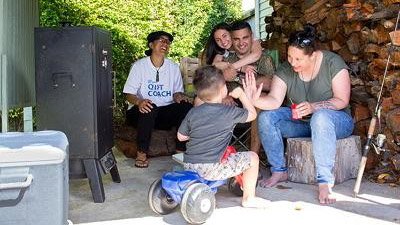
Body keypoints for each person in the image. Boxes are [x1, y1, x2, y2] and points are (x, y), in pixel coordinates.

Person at [243, 25, 354, 204]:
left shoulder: (333, 63)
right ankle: (279, 170)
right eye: (289, 56)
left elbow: (342, 100)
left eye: (298, 59)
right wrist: (255, 100)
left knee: (320, 117)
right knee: (266, 117)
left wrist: (314, 107)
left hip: (335, 122)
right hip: (303, 123)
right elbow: (274, 101)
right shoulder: (286, 70)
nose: (292, 62)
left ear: (314, 54)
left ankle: (325, 181)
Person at [177, 65, 269, 208]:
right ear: (223, 90)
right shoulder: (229, 112)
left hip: (189, 165)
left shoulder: (193, 113)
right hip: (212, 168)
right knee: (253, 158)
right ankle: (249, 198)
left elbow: (181, 137)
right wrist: (243, 96)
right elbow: (252, 115)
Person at [123, 31, 192, 168]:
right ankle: (142, 153)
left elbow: (176, 92)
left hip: (163, 114)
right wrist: (139, 102)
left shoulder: (173, 67)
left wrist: (179, 96)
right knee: (150, 107)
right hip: (141, 113)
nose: (165, 43)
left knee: (185, 107)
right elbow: (128, 94)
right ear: (151, 44)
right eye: (161, 40)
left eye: (167, 41)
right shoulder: (139, 66)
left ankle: (180, 150)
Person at [223, 20, 276, 153]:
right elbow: (217, 79)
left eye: (245, 38)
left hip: (253, 103)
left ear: (251, 37)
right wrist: (223, 96)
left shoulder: (264, 59)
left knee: (259, 101)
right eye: (236, 39)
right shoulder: (226, 60)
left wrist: (237, 77)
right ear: (231, 40)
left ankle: (253, 158)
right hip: (231, 102)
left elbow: (271, 84)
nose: (241, 43)